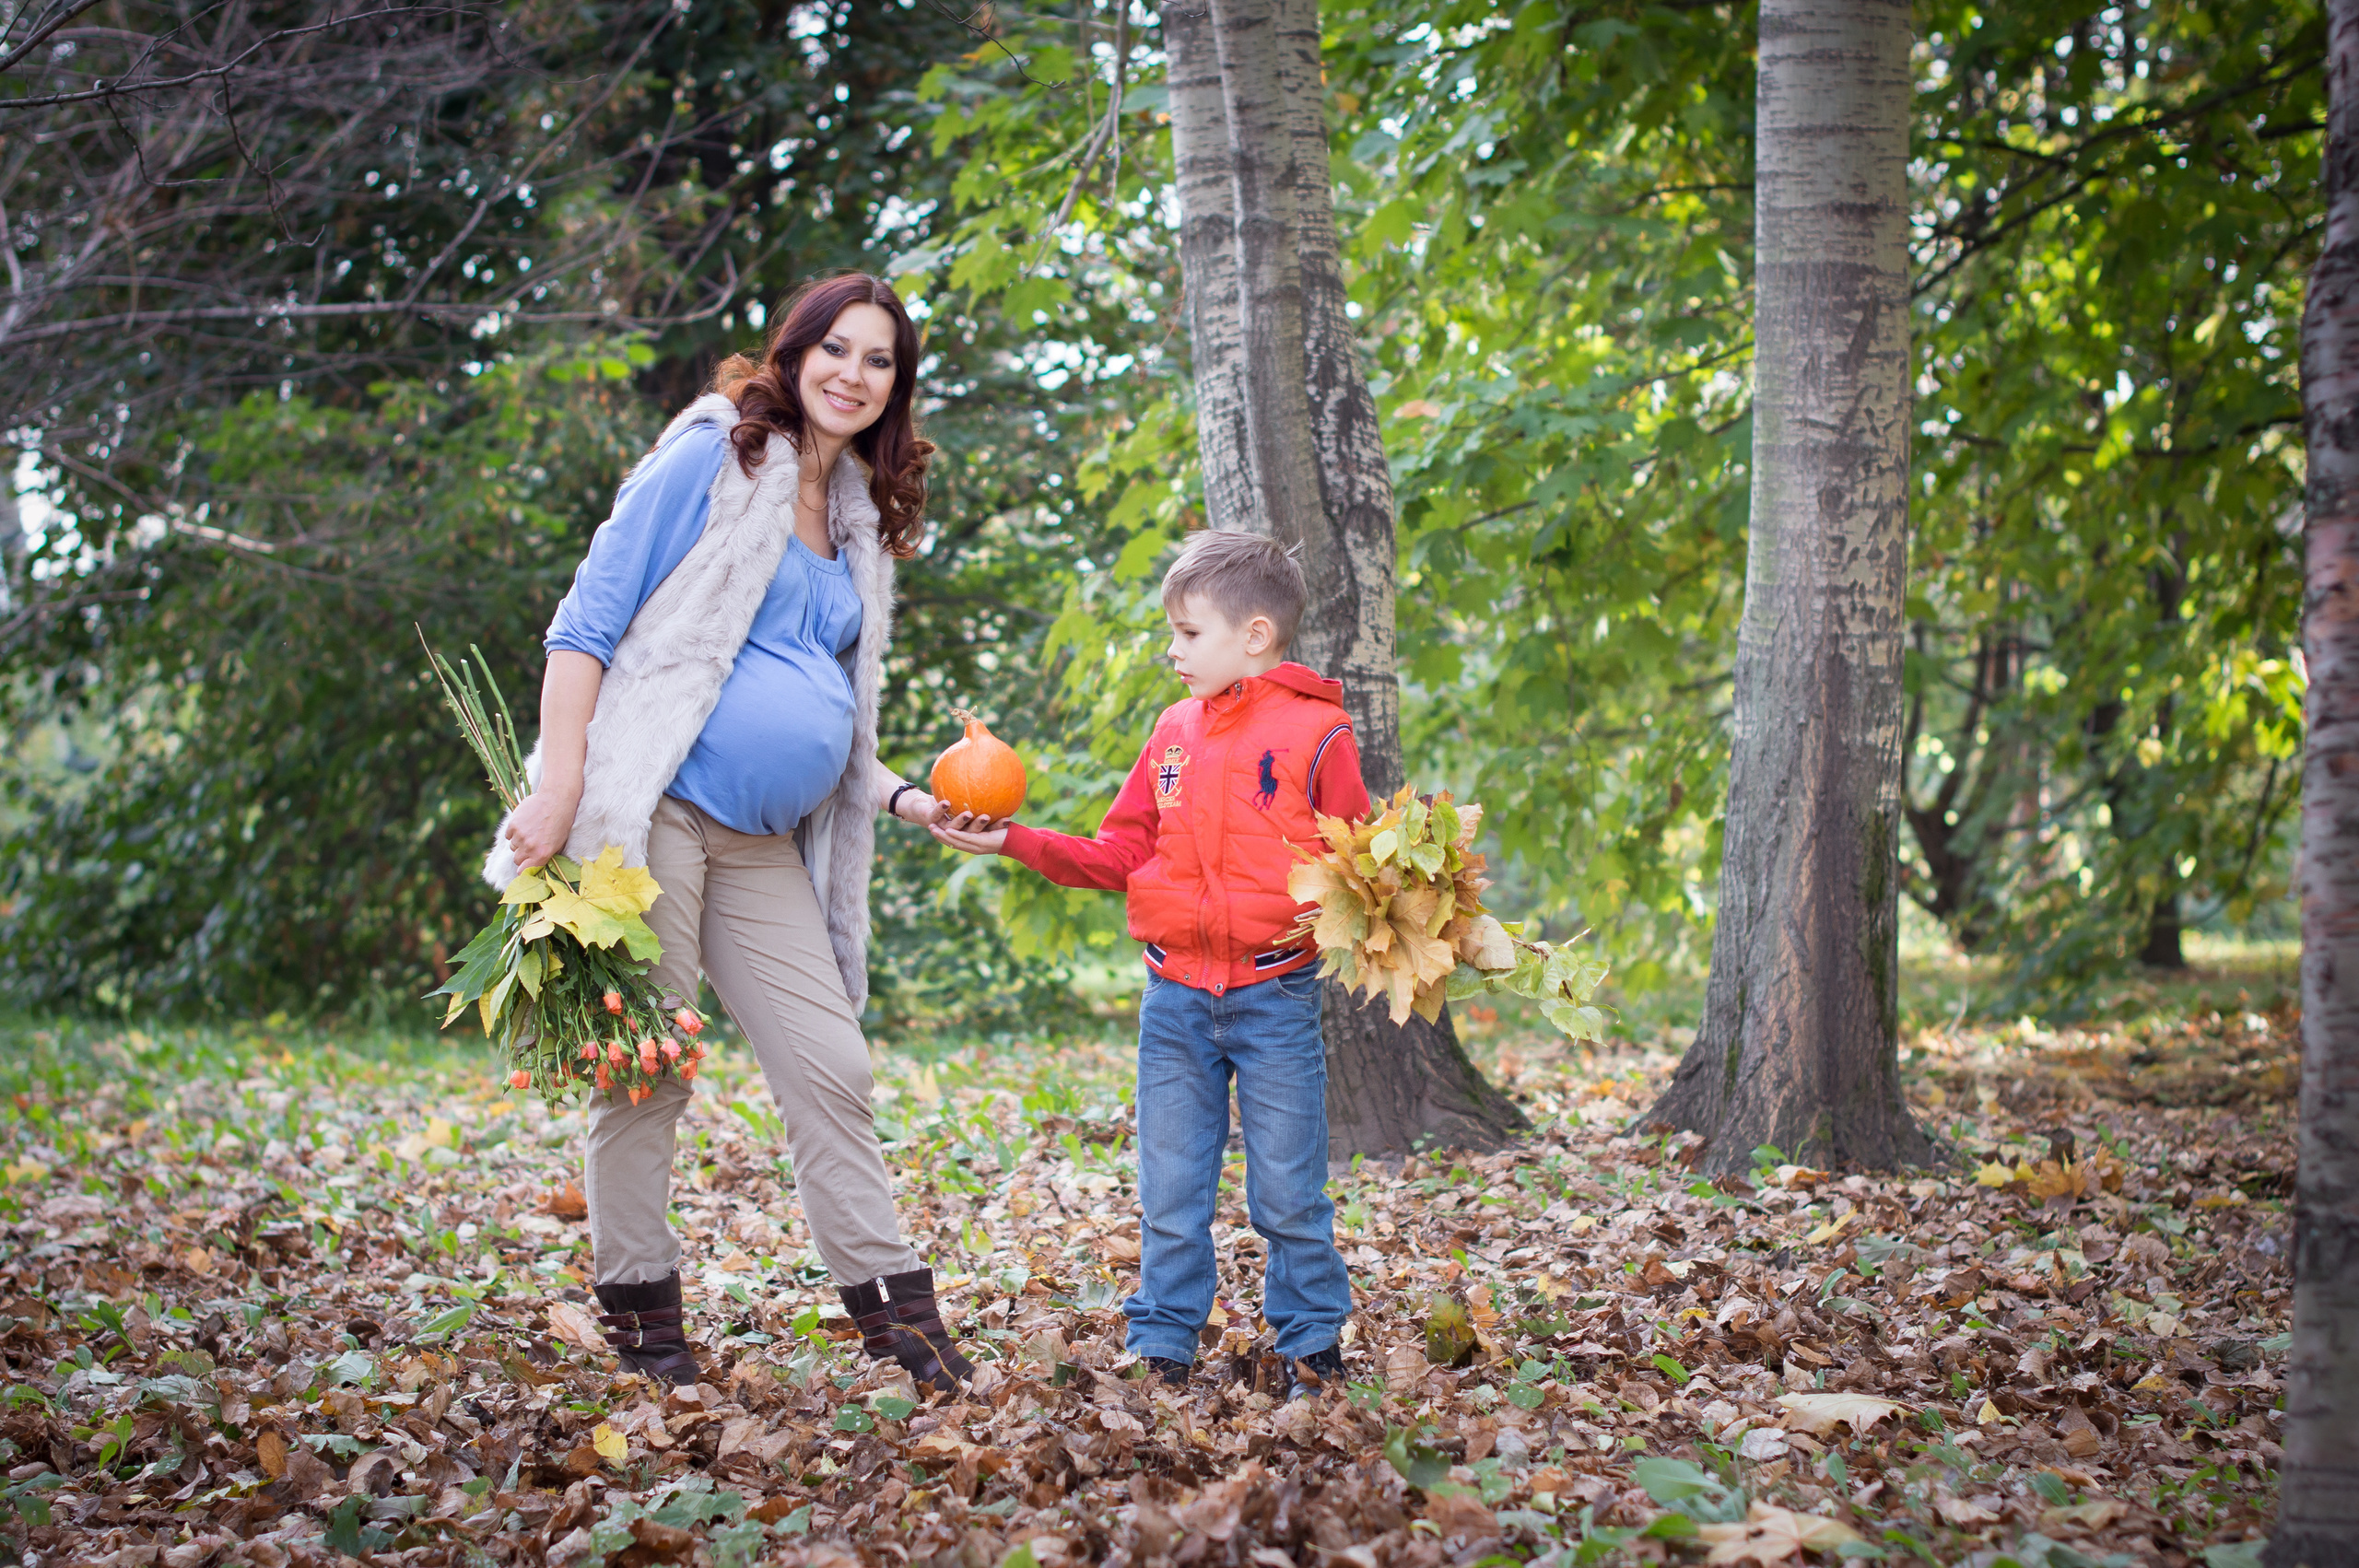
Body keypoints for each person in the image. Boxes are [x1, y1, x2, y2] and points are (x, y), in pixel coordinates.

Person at [485, 273, 972, 1393]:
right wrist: (560, 787)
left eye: (880, 360)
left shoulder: (854, 517)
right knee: (645, 1067)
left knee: (831, 1062)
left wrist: (910, 800)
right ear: (794, 352)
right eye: (836, 348)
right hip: (654, 807)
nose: (854, 374)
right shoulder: (716, 454)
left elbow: (832, 724)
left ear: (896, 386)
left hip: (760, 844)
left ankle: (900, 1323)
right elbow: (584, 624)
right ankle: (646, 1325)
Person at [932, 531, 1368, 1398]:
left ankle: (1312, 1344)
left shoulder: (1320, 732)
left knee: (1289, 1193)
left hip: (1275, 996)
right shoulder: (1173, 732)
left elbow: (1360, 865)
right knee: (1171, 1191)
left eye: (1188, 632)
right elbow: (1121, 852)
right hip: (1174, 1000)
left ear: (1254, 635)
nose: (1173, 649)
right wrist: (1013, 840)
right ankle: (1165, 1343)